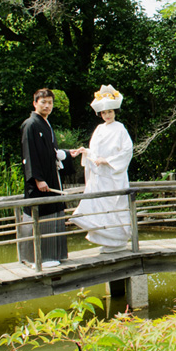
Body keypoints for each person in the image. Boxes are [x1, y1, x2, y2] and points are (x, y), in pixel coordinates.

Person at [69, 85, 134, 254]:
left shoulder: (120, 128)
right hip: (101, 176)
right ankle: (107, 239)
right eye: (104, 113)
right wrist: (86, 152)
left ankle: (118, 239)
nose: (107, 115)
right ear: (101, 114)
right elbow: (95, 153)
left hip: (114, 174)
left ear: (114, 111)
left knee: (115, 205)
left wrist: (108, 160)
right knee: (101, 205)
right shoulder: (98, 129)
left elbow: (127, 151)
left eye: (110, 112)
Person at [19, 88, 72, 268]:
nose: (47, 105)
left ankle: (54, 254)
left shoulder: (46, 123)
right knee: (41, 215)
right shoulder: (30, 124)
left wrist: (67, 154)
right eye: (43, 102)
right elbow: (30, 155)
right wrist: (38, 179)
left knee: (54, 213)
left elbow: (51, 152)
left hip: (51, 176)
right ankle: (39, 259)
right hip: (40, 182)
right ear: (35, 103)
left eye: (50, 102)